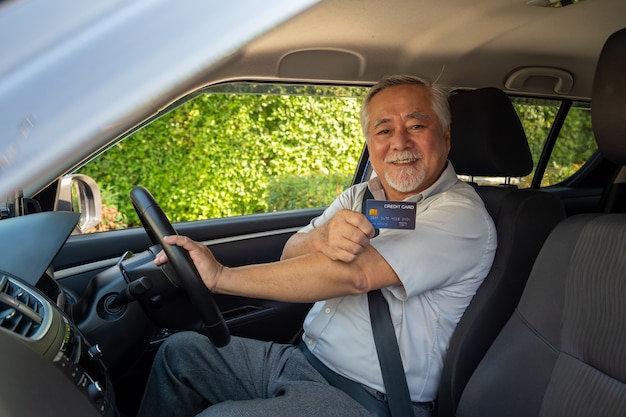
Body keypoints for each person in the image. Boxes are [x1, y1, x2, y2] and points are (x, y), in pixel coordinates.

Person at [136, 75, 497, 417]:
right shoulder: (360, 195)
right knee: (179, 353)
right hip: (302, 361)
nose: (399, 142)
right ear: (371, 145)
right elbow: (291, 252)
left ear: (446, 137)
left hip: (369, 397)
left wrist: (220, 277)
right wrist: (321, 238)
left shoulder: (460, 215)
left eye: (416, 126)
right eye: (384, 130)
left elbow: (353, 276)